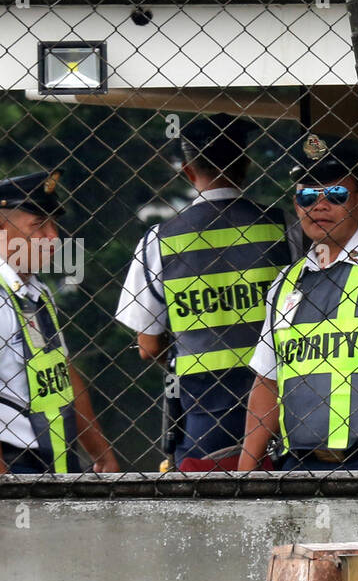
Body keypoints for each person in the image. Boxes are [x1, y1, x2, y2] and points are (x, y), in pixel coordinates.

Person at [115, 114, 293, 471]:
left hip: (202, 412)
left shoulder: (159, 241)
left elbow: (148, 346)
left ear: (188, 172)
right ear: (246, 164)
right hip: (284, 404)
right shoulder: (284, 226)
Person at [239, 133, 358, 472]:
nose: (319, 206)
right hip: (298, 466)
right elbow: (267, 381)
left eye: (335, 194)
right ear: (295, 203)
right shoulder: (285, 283)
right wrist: (244, 473)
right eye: (307, 195)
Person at [0, 170, 118, 474]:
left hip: (48, 461)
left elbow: (62, 374)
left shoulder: (32, 291)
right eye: (39, 226)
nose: (53, 237)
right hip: (6, 463)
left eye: (54, 224)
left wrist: (101, 453)